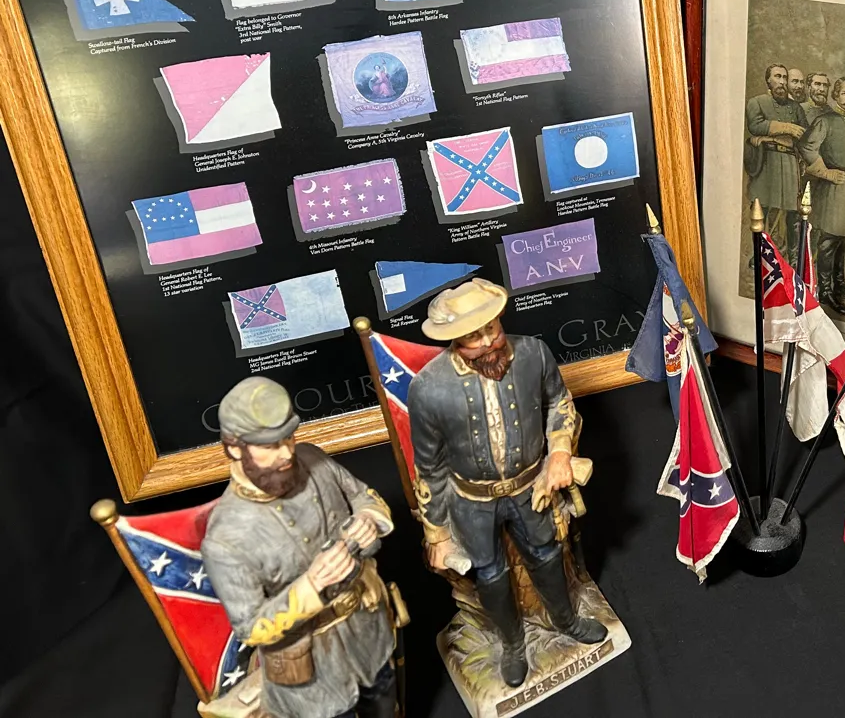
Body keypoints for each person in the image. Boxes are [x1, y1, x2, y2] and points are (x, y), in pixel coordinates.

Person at [411, 280, 606, 688]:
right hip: (471, 501)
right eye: (473, 336)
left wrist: (559, 453)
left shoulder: (533, 353)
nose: (487, 342)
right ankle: (513, 644)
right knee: (490, 574)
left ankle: (565, 620)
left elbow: (559, 402)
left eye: (492, 329)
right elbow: (429, 466)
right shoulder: (428, 388)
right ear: (454, 340)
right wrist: (437, 533)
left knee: (547, 554)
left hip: (531, 487)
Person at [202, 378, 400, 718]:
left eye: (288, 438)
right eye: (270, 446)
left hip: (368, 634)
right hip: (310, 674)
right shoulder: (225, 539)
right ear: (235, 448)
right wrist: (312, 585)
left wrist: (369, 518)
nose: (286, 453)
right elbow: (250, 628)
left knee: (385, 706)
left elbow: (362, 495)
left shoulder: (312, 458)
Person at [800, 76, 845, 315]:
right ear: (836, 95)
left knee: (843, 240)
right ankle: (825, 290)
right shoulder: (825, 121)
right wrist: (826, 173)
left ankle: (839, 283)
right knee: (829, 241)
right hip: (833, 188)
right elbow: (806, 147)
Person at [744, 63, 806, 256]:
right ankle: (760, 254)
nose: (782, 82)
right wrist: (786, 129)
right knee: (761, 207)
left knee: (792, 211)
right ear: (768, 80)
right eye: (777, 77)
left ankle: (791, 256)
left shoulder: (795, 107)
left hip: (789, 164)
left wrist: (769, 136)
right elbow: (755, 126)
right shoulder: (756, 102)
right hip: (766, 162)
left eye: (785, 77)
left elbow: (804, 133)